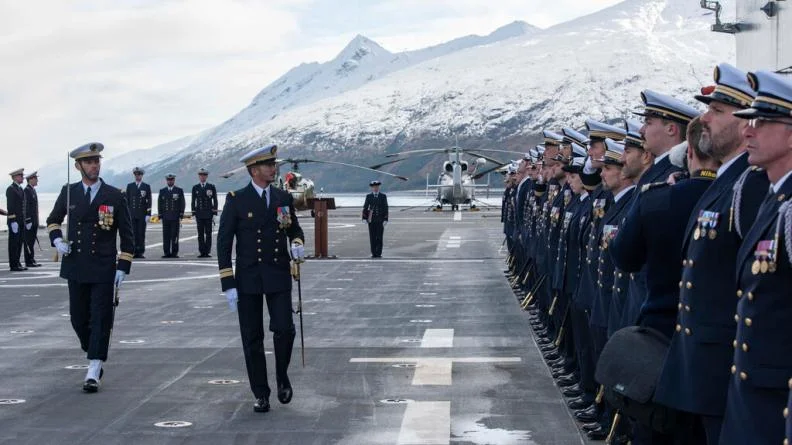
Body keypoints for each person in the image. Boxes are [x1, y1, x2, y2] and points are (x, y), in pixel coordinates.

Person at [720, 70, 792, 445]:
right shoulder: (772, 197)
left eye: (762, 122)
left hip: (777, 404)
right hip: (754, 390)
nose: (747, 131)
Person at [216, 144, 305, 413]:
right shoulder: (237, 199)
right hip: (249, 278)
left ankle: (282, 377)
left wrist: (298, 242)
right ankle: (261, 392)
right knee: (252, 337)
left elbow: (294, 229)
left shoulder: (282, 198)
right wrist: (228, 282)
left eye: (273, 164)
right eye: (267, 165)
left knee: (285, 329)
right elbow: (223, 243)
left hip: (278, 273)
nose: (273, 168)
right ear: (254, 170)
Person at [45, 142, 134, 392]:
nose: (94, 165)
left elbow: (127, 234)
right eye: (89, 162)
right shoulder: (69, 192)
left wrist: (123, 266)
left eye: (97, 161)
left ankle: (94, 368)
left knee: (101, 318)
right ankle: (93, 349)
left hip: (104, 266)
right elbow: (53, 220)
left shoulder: (114, 195)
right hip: (76, 265)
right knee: (78, 318)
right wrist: (57, 240)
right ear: (78, 166)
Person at [191, 168, 218, 258]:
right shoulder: (195, 188)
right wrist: (194, 213)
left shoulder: (211, 187)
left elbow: (215, 200)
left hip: (208, 213)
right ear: (199, 176)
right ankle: (202, 251)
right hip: (199, 214)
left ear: (206, 176)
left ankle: (207, 251)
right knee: (200, 234)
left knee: (208, 233)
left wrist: (214, 212)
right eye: (201, 175)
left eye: (204, 175)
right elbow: (193, 201)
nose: (202, 177)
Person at [126, 167, 152, 258]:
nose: (138, 176)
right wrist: (127, 214)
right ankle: (133, 251)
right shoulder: (130, 186)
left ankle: (140, 251)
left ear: (142, 175)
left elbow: (149, 201)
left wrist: (148, 214)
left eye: (139, 174)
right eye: (136, 174)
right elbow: (127, 201)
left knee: (141, 233)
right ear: (134, 175)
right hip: (132, 214)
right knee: (132, 234)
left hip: (142, 214)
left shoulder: (146, 186)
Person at [158, 174, 185, 258]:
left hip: (175, 217)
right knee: (166, 235)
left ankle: (174, 252)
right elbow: (160, 203)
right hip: (166, 216)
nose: (170, 181)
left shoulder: (179, 190)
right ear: (166, 181)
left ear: (174, 180)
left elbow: (182, 203)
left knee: (175, 235)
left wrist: (181, 214)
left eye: (171, 180)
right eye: (168, 180)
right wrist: (160, 214)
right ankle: (166, 252)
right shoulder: (162, 191)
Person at [6, 168, 27, 271]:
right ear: (15, 177)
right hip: (14, 221)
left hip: (20, 220)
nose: (22, 178)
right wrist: (13, 221)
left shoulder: (20, 189)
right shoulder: (11, 189)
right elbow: (11, 207)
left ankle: (17, 262)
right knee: (14, 244)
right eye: (21, 176)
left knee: (19, 243)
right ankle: (13, 264)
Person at [362, 180, 388, 258]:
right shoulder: (369, 196)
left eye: (377, 186)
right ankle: (373, 253)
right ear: (372, 188)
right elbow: (365, 207)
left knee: (379, 237)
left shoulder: (383, 196)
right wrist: (364, 217)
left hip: (380, 219)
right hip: (371, 219)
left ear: (378, 187)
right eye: (374, 187)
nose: (375, 188)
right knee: (372, 237)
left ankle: (379, 253)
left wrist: (386, 219)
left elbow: (385, 207)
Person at [23, 171, 41, 267]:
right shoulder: (26, 191)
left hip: (34, 221)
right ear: (31, 180)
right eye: (35, 179)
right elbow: (26, 207)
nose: (37, 180)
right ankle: (28, 261)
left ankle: (32, 259)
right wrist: (28, 220)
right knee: (28, 241)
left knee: (32, 241)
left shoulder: (32, 190)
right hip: (30, 221)